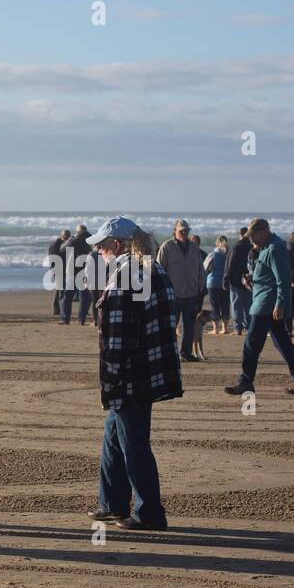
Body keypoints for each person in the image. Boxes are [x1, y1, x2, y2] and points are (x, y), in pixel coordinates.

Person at [86, 217, 182, 531]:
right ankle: (111, 503)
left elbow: (119, 339)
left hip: (131, 376)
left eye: (101, 246)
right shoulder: (154, 269)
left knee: (134, 443)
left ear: (116, 245)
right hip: (152, 369)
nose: (98, 251)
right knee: (114, 437)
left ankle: (149, 512)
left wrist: (111, 378)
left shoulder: (126, 276)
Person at [224, 218, 294, 397]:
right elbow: (268, 277)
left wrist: (280, 304)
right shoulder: (266, 247)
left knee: (251, 345)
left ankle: (245, 382)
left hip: (267, 305)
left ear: (265, 230)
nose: (251, 239)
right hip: (264, 301)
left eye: (254, 235)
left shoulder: (274, 248)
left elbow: (282, 279)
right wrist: (251, 281)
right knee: (283, 343)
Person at [156, 218, 206, 361]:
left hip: (191, 294)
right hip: (172, 295)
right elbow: (159, 270)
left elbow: (200, 270)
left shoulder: (194, 248)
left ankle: (186, 353)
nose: (184, 233)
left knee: (189, 327)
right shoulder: (167, 247)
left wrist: (200, 287)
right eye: (181, 230)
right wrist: (162, 291)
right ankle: (168, 353)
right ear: (175, 231)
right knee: (169, 326)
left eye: (186, 230)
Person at [60, 224, 92, 324]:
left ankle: (66, 319)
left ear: (77, 232)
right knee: (84, 296)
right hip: (85, 270)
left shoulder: (73, 240)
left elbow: (62, 248)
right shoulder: (91, 240)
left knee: (67, 296)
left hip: (72, 271)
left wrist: (71, 239)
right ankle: (81, 319)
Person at [225, 226, 252, 335]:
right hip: (249, 280)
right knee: (248, 305)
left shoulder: (236, 247)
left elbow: (230, 265)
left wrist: (226, 278)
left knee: (237, 305)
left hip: (236, 280)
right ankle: (248, 326)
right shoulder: (251, 247)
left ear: (239, 234)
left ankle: (238, 327)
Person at [204, 235, 230, 335]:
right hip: (225, 283)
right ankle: (225, 328)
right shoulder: (228, 254)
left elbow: (204, 267)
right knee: (225, 305)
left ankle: (215, 329)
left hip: (213, 282)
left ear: (216, 243)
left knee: (215, 305)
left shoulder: (213, 254)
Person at [47, 229, 70, 316]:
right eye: (65, 237)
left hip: (65, 269)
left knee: (61, 290)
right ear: (61, 236)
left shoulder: (66, 244)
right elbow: (52, 259)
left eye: (68, 238)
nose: (67, 239)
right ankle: (56, 309)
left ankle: (58, 309)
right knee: (59, 290)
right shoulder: (55, 245)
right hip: (58, 269)